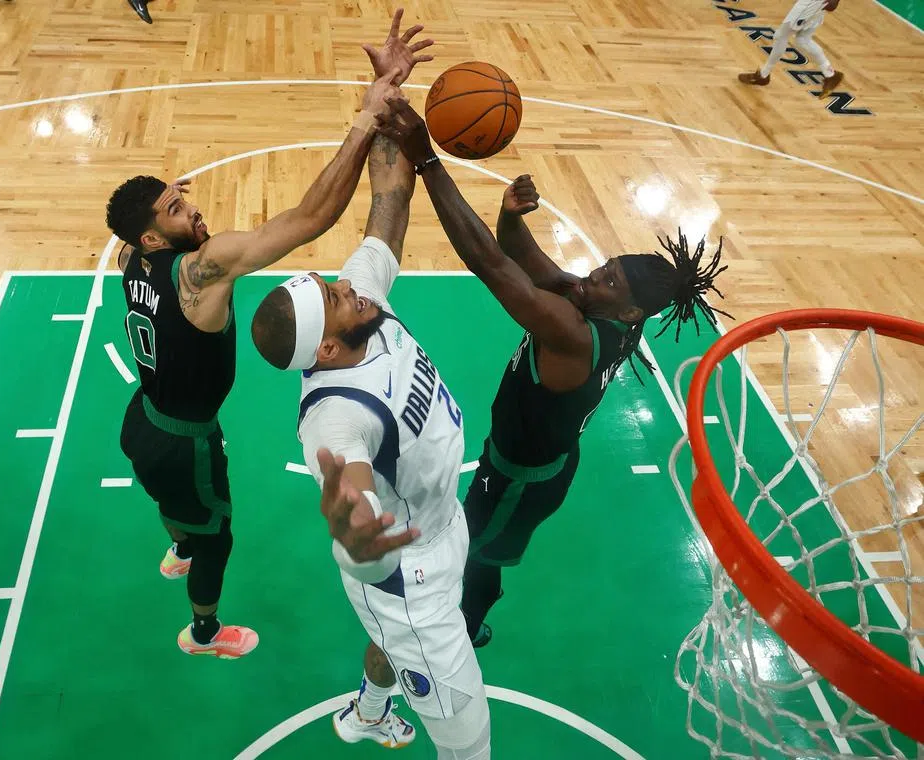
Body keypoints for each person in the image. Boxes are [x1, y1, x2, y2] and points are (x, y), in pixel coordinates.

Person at [103, 14, 414, 659]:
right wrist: (366, 117)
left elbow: (160, 225)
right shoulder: (200, 269)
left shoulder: (137, 258)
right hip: (184, 440)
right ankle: (205, 631)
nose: (188, 203)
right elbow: (311, 216)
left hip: (142, 417)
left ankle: (180, 548)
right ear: (155, 239)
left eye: (177, 193)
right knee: (220, 536)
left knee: (177, 513)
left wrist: (168, 206)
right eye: (173, 207)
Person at [372, 97, 730, 648]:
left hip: (521, 479)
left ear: (630, 312)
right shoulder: (593, 304)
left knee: (474, 553)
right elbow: (524, 259)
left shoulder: (570, 330)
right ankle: (467, 612)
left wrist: (427, 160)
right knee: (478, 544)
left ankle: (462, 631)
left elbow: (490, 264)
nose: (592, 278)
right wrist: (510, 217)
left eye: (609, 282)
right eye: (604, 268)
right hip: (524, 459)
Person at [249, 35, 492, 760]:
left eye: (337, 282)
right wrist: (355, 532)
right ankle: (385, 706)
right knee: (468, 743)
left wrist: (384, 102)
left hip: (439, 526)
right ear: (326, 348)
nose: (349, 285)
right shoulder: (334, 414)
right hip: (405, 577)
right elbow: (347, 479)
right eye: (337, 296)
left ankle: (368, 709)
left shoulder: (360, 312)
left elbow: (387, 206)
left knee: (384, 641)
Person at [738, 0, 844, 98]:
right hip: (815, 4)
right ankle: (831, 74)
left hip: (812, 3)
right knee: (803, 39)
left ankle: (763, 75)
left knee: (781, 36)